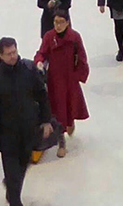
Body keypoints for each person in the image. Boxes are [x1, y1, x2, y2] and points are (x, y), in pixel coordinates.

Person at [0, 37, 51, 206]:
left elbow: (42, 95)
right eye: (9, 54)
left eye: (15, 52)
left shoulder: (28, 71)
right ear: (1, 56)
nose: (13, 56)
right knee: (12, 175)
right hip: (7, 135)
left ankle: (12, 193)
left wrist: (46, 121)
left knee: (20, 172)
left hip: (28, 132)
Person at [34, 10, 88, 151]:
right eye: (55, 22)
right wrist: (39, 62)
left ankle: (70, 123)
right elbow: (42, 52)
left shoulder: (75, 37)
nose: (58, 26)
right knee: (58, 112)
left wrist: (79, 75)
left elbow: (81, 57)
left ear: (67, 23)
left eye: (61, 22)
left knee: (70, 107)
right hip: (55, 80)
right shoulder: (49, 37)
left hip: (70, 79)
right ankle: (61, 142)